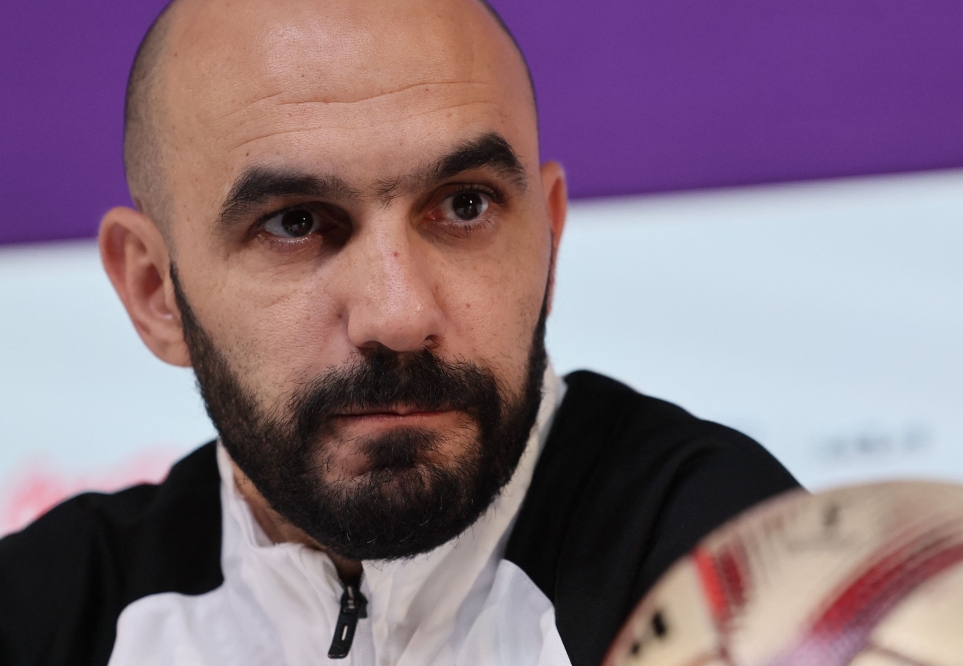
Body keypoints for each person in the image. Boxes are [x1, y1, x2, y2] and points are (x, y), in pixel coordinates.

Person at [0, 0, 798, 664]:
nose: (399, 315)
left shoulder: (735, 568)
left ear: (547, 243)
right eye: (297, 222)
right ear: (153, 290)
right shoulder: (49, 615)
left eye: (464, 206)